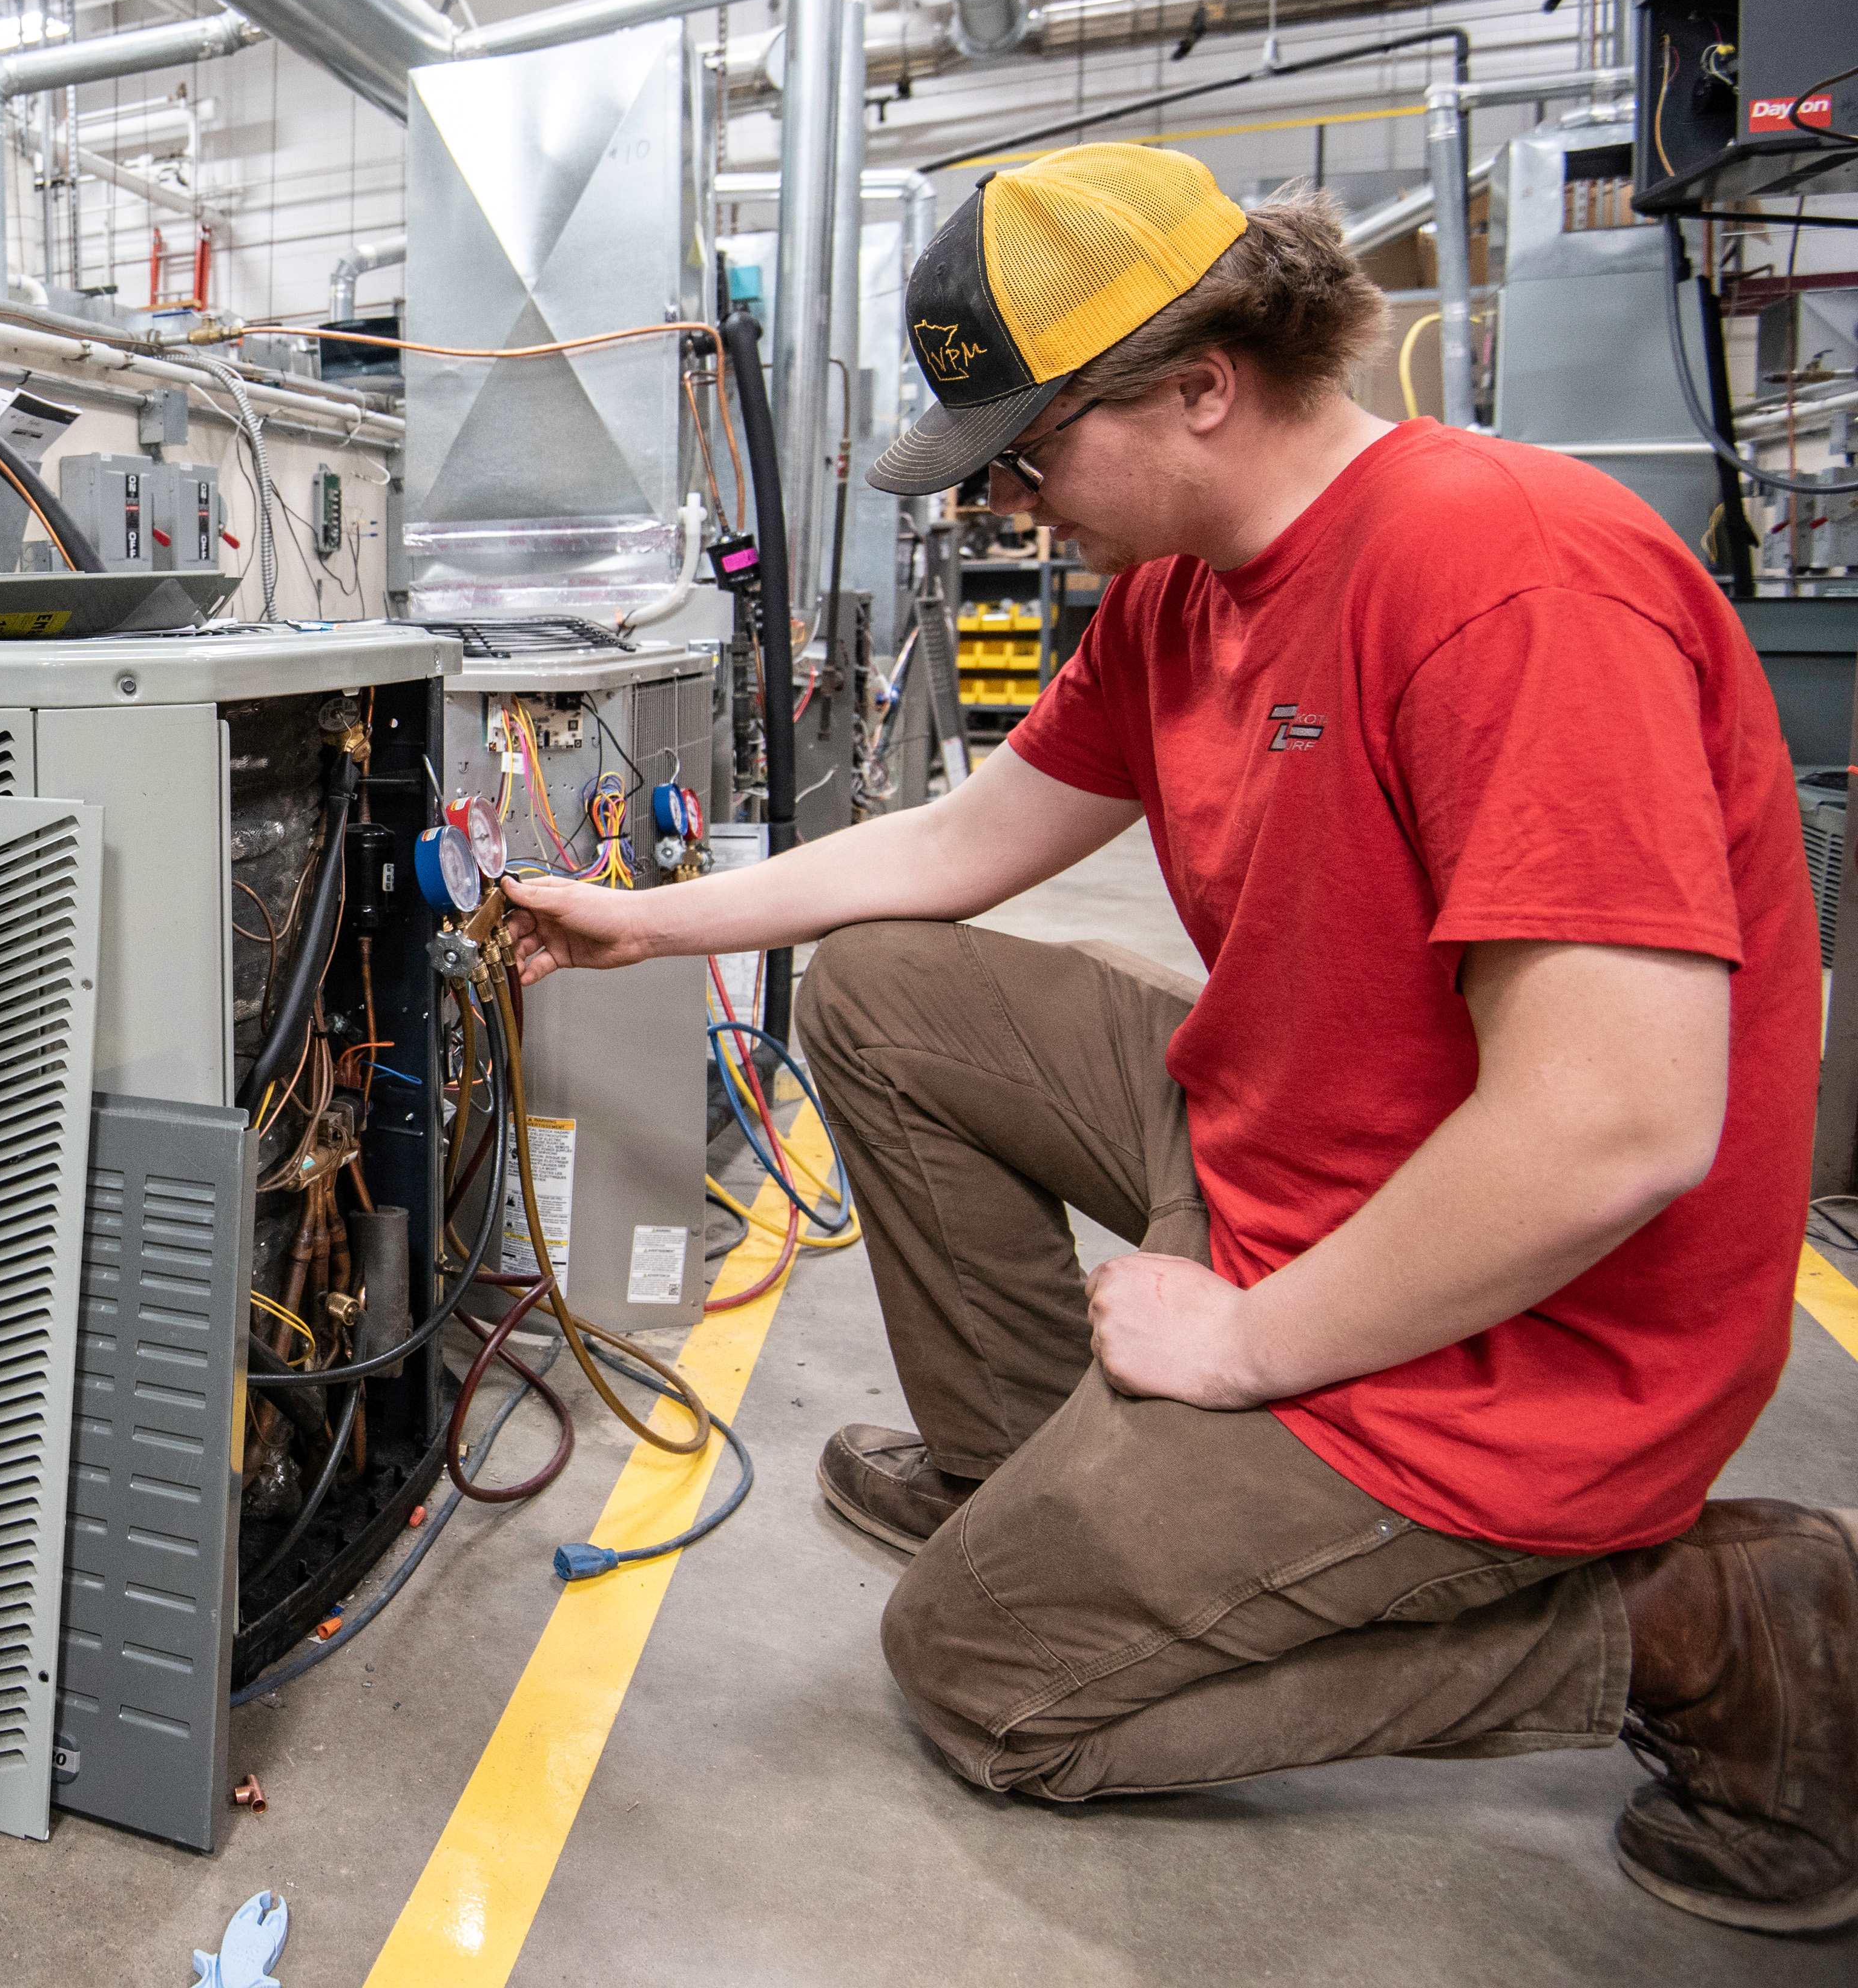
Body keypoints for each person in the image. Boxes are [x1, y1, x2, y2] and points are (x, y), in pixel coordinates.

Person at [501, 142, 1854, 1936]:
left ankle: (1692, 1629)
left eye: (1032, 454)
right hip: (1280, 1145)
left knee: (987, 1677)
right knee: (896, 989)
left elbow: (1616, 1127)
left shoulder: (1507, 582)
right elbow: (965, 844)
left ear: (1206, 386)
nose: (1013, 508)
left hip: (1517, 1322)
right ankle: (1019, 1485)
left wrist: (1242, 1346)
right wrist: (649, 924)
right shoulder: (1179, 592)